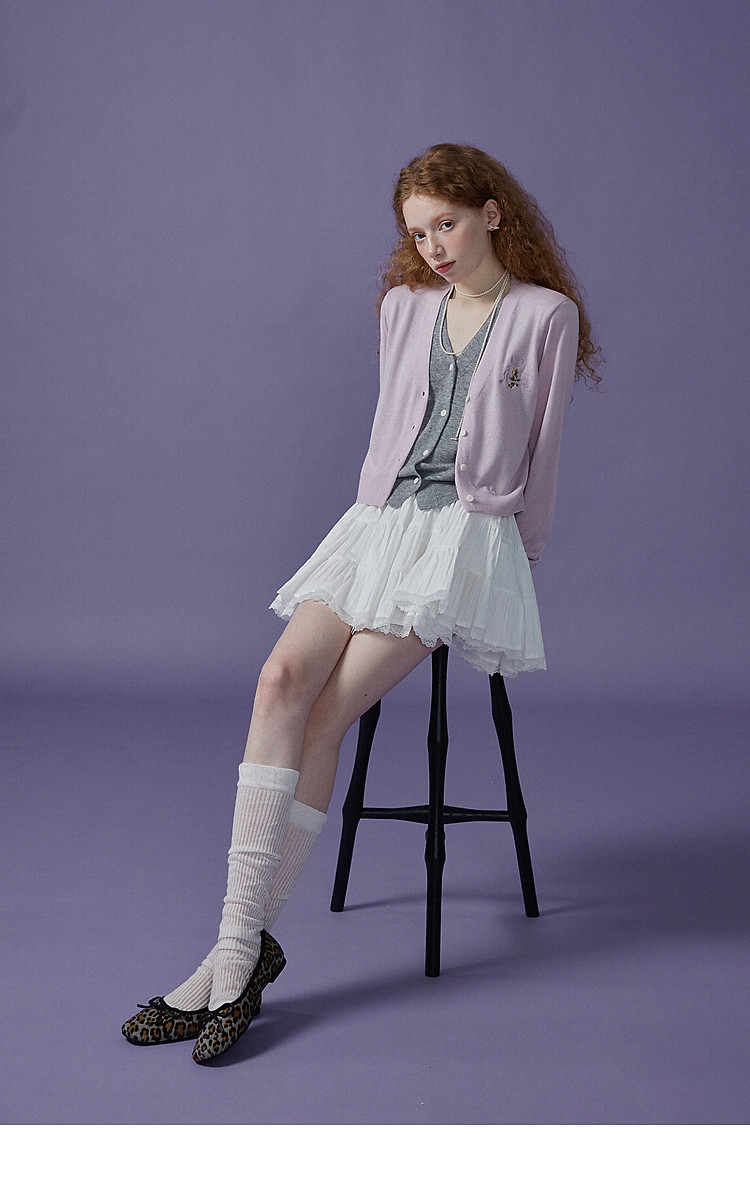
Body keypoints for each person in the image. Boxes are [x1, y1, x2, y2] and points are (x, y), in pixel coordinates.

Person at [121, 143, 601, 1063]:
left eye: (447, 224)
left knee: (328, 711)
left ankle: (229, 964)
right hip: (378, 523)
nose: (433, 247)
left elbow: (542, 453)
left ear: (493, 213)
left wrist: (512, 566)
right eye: (417, 233)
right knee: (280, 681)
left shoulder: (546, 314)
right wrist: (377, 517)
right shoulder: (403, 309)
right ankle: (239, 951)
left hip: (466, 539)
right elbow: (394, 429)